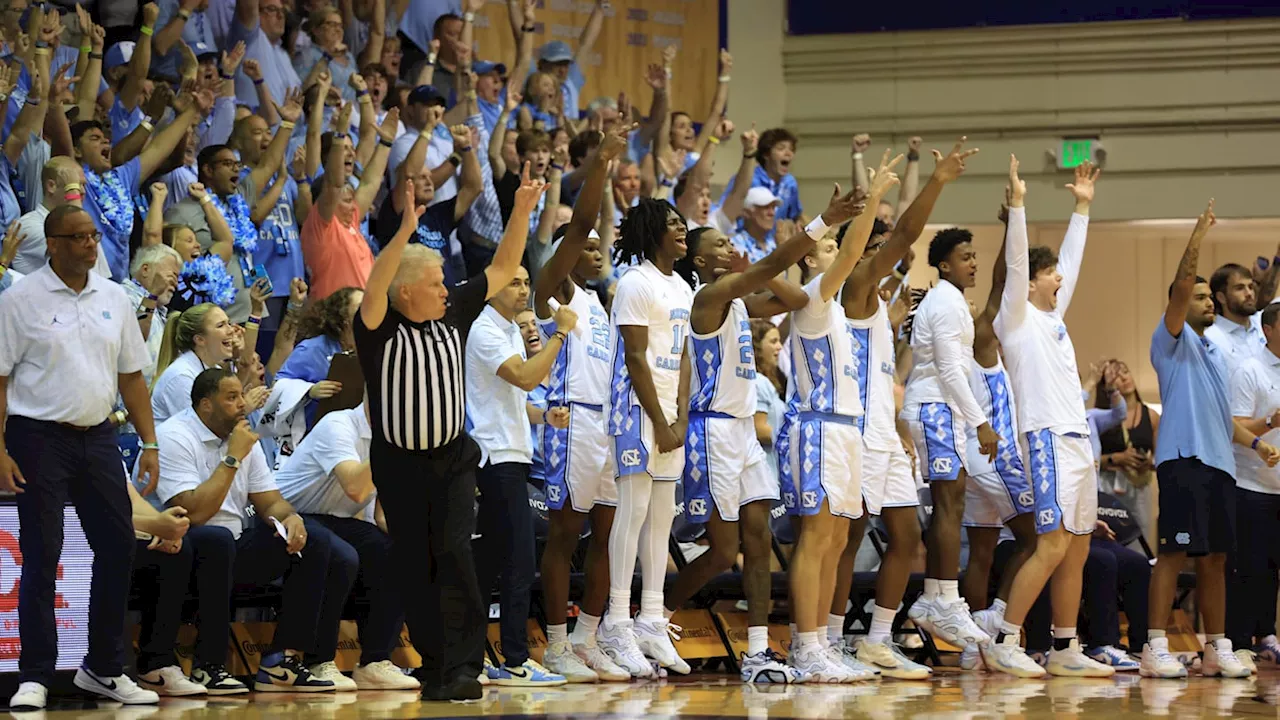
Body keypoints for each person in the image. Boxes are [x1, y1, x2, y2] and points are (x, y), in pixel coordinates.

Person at [353, 166, 545, 701]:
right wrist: (402, 231)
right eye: (436, 282)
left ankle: (463, 666)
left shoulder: (455, 312)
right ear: (407, 290)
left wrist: (524, 210)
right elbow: (374, 286)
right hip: (398, 462)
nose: (446, 289)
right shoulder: (378, 328)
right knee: (418, 561)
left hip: (454, 458)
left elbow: (505, 267)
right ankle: (435, 667)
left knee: (456, 553)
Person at [665, 202, 854, 683]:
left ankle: (756, 653)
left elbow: (794, 300)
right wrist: (822, 223)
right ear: (703, 262)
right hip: (712, 431)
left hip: (744, 431)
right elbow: (770, 267)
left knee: (759, 539)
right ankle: (650, 616)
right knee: (723, 551)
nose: (731, 248)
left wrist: (767, 272)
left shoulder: (738, 302)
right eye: (720, 245)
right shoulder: (708, 297)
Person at [0, 205, 161, 710]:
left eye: (93, 236)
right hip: (36, 436)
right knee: (42, 553)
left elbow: (132, 376)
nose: (91, 246)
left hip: (98, 436)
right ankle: (36, 675)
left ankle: (104, 668)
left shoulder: (114, 296)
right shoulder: (19, 300)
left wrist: (150, 441)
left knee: (117, 545)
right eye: (78, 238)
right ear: (52, 243)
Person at [837, 142, 970, 679]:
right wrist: (935, 181)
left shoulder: (880, 303)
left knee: (906, 537)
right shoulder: (853, 284)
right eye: (871, 246)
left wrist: (897, 425)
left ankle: (875, 639)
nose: (882, 253)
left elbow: (880, 373)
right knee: (846, 539)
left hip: (882, 432)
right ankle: (825, 640)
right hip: (851, 433)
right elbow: (906, 237)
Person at [979, 157, 1112, 678]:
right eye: (1051, 272)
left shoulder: (1054, 317)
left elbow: (1073, 263)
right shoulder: (1015, 317)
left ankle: (1063, 648)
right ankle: (1005, 638)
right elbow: (1015, 264)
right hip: (1048, 438)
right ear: (1032, 282)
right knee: (1052, 543)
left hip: (1078, 440)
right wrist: (1018, 206)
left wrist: (1082, 207)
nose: (1061, 278)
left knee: (1076, 550)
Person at [155, 367, 358, 691]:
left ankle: (282, 660)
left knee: (313, 540)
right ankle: (208, 665)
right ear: (206, 405)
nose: (242, 405)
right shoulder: (175, 436)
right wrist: (233, 457)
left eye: (241, 396)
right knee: (217, 541)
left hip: (231, 544)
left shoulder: (240, 435)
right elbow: (194, 512)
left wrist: (291, 519)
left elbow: (270, 502)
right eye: (232, 397)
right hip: (183, 546)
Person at [1143, 199, 1278, 679]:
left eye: (1206, 298)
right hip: (1183, 461)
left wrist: (1257, 442)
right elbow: (1182, 286)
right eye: (1199, 297)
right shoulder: (1170, 339)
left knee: (1218, 558)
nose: (1204, 302)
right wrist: (1197, 236)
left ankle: (1217, 646)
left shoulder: (1215, 354)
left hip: (1221, 465)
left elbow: (1224, 418)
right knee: (1174, 552)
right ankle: (1155, 645)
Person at [779, 157, 894, 683]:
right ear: (808, 262)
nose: (837, 257)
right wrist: (870, 201)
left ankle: (822, 643)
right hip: (819, 427)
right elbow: (852, 250)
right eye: (823, 251)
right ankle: (805, 647)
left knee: (838, 538)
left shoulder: (841, 313)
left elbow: (850, 253)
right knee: (817, 536)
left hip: (847, 430)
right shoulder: (814, 300)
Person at [530, 126, 630, 682]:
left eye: (599, 249)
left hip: (608, 426)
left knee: (611, 538)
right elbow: (584, 227)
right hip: (569, 420)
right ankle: (557, 645)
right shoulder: (555, 290)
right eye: (586, 247)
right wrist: (602, 166)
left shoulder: (599, 302)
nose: (595, 252)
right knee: (566, 534)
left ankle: (590, 639)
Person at [900, 142, 998, 652]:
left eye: (975, 255)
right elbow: (950, 371)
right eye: (964, 257)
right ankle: (940, 597)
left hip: (945, 408)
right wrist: (980, 422)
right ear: (942, 264)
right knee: (947, 502)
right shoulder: (942, 302)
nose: (972, 263)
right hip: (935, 405)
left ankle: (944, 597)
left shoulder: (952, 301)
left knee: (952, 501)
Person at [595, 196, 697, 677]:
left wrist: (679, 416)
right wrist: (658, 419)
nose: (682, 230)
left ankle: (651, 619)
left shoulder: (683, 285)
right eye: (673, 224)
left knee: (661, 519)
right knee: (632, 512)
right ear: (653, 231)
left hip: (669, 413)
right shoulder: (634, 283)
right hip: (635, 410)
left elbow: (684, 359)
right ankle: (616, 620)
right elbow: (635, 358)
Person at [466, 263, 573, 687]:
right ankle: (515, 659)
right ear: (492, 288)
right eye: (515, 282)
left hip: (512, 454)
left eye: (527, 282)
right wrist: (560, 334)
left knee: (488, 564)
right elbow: (528, 376)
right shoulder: (486, 330)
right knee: (519, 563)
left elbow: (515, 397)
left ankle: (472, 659)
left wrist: (544, 414)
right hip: (497, 458)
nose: (524, 289)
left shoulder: (507, 328)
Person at [272, 402, 421, 690]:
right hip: (289, 514)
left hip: (335, 520)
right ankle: (319, 660)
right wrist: (392, 446)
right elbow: (355, 487)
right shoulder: (338, 425)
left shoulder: (390, 438)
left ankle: (375, 661)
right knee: (342, 555)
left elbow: (381, 514)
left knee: (396, 552)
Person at [957, 196, 1035, 671]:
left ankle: (972, 643)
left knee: (982, 553)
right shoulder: (979, 339)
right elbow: (1002, 283)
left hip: (970, 458)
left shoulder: (947, 356)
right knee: (1035, 540)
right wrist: (1011, 225)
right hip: (993, 455)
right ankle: (1000, 624)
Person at [1227, 303, 1280, 667]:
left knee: (1273, 565)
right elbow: (1236, 426)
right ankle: (1244, 639)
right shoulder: (1250, 370)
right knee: (1252, 566)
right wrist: (1274, 419)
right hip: (1252, 484)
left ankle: (1268, 633)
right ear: (1269, 329)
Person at [150, 303, 237, 424]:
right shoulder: (181, 376)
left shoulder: (215, 369)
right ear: (200, 340)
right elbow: (200, 428)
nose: (231, 330)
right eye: (221, 325)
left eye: (229, 323)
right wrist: (245, 408)